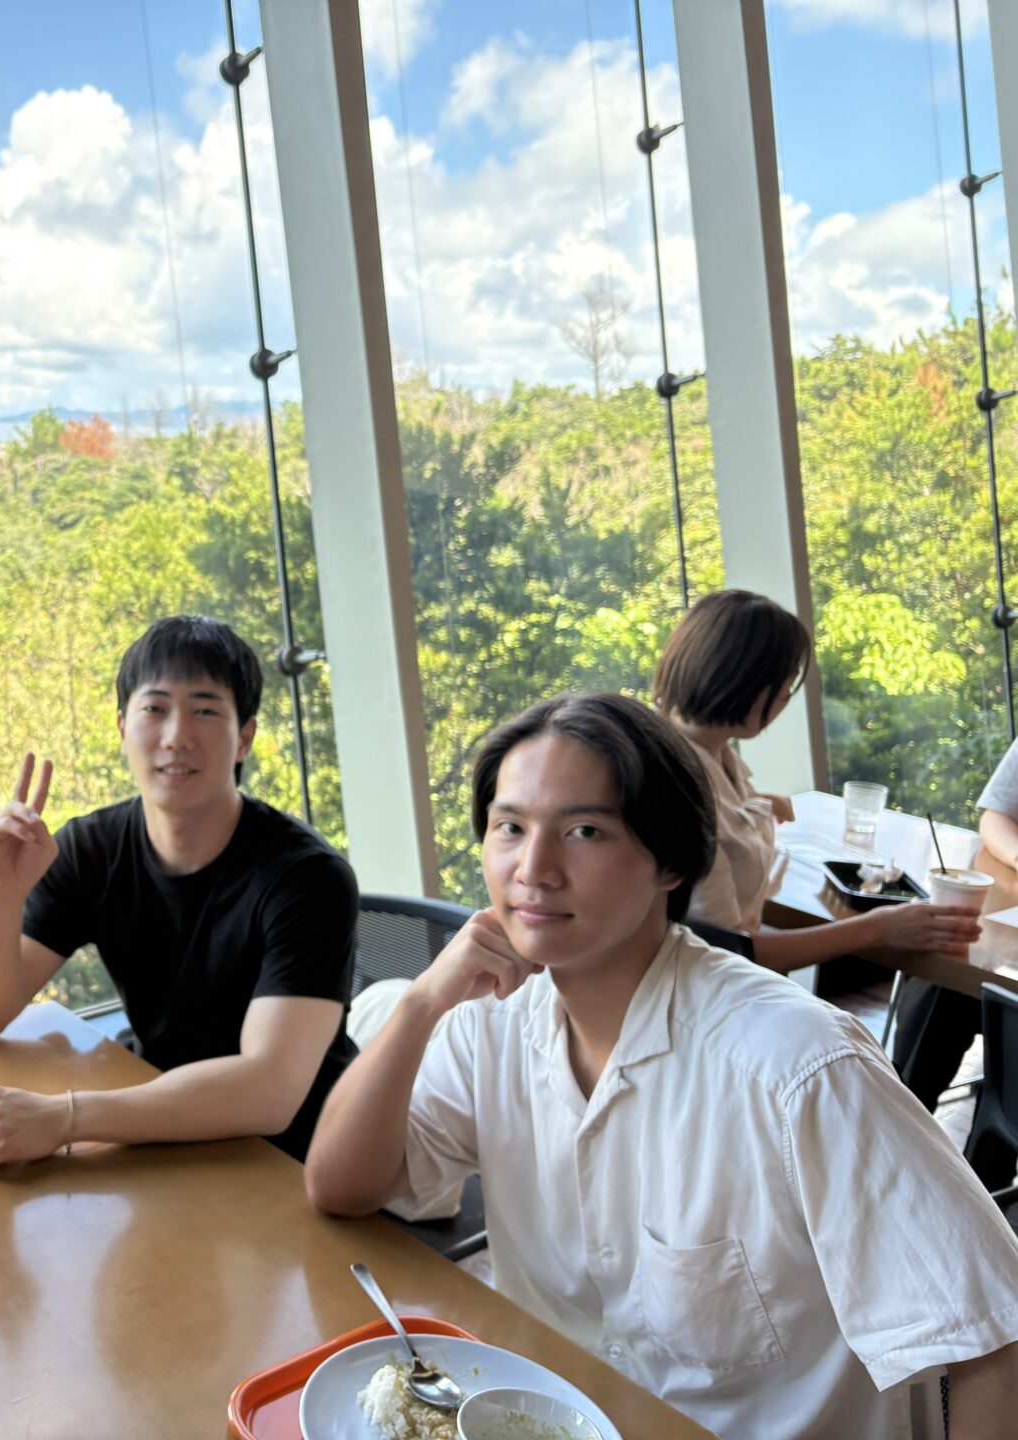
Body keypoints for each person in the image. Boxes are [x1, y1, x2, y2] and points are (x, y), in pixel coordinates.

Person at [305, 692, 1018, 1440]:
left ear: (670, 862)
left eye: (584, 831)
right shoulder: (489, 1021)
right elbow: (341, 1187)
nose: (534, 870)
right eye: (510, 828)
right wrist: (420, 1003)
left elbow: (994, 1339)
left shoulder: (800, 1068)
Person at [0, 614, 358, 1165]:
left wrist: (66, 1117)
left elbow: (271, 1091)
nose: (176, 737)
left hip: (296, 1159)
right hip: (161, 1136)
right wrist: (2, 894)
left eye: (205, 710)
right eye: (155, 709)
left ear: (244, 738)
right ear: (123, 729)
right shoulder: (90, 850)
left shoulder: (307, 879)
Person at [654, 588, 983, 1111]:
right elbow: (727, 952)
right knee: (856, 1070)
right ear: (745, 681)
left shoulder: (709, 755)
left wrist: (754, 803)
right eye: (784, 684)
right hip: (709, 1014)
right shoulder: (681, 785)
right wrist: (877, 928)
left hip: (736, 997)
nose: (787, 699)